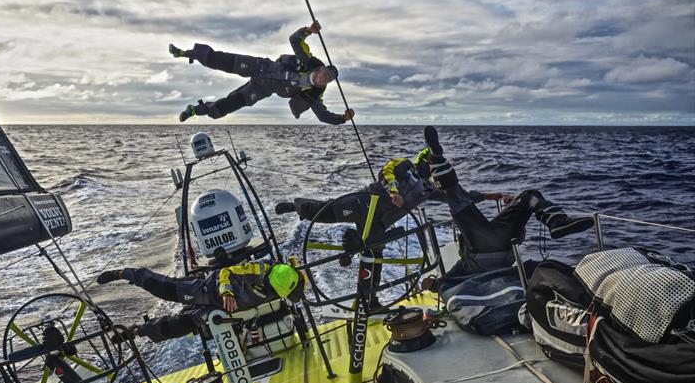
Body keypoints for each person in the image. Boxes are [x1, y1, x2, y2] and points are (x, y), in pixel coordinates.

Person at [275, 126, 593, 296]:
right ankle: (295, 205)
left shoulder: (428, 189)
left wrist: (495, 194)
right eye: (428, 161)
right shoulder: (402, 168)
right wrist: (396, 193)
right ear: (422, 160)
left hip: (381, 222)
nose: (427, 168)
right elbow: (385, 173)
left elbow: (458, 196)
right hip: (363, 205)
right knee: (322, 212)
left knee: (374, 255)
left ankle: (367, 293)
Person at [169, 21, 354, 124]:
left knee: (230, 104)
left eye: (328, 80)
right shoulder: (309, 61)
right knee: (220, 60)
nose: (324, 78)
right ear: (320, 68)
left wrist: (342, 118)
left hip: (262, 88)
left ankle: (195, 110)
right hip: (260, 66)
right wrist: (308, 30)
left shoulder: (314, 94)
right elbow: (295, 40)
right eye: (326, 73)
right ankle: (183, 53)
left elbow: (322, 115)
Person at [97, 261, 304, 342]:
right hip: (206, 289)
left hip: (215, 310)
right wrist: (228, 293)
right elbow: (225, 271)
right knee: (165, 289)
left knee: (180, 326)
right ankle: (126, 273)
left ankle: (136, 331)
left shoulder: (284, 284)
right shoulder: (257, 270)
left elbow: (300, 278)